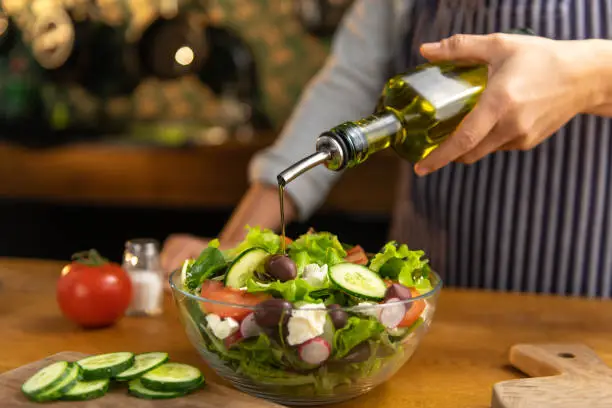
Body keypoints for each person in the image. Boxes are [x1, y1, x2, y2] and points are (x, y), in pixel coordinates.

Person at [161, 0, 612, 298]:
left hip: (583, 296)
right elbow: (350, 80)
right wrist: (233, 247)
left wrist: (592, 78)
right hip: (429, 288)